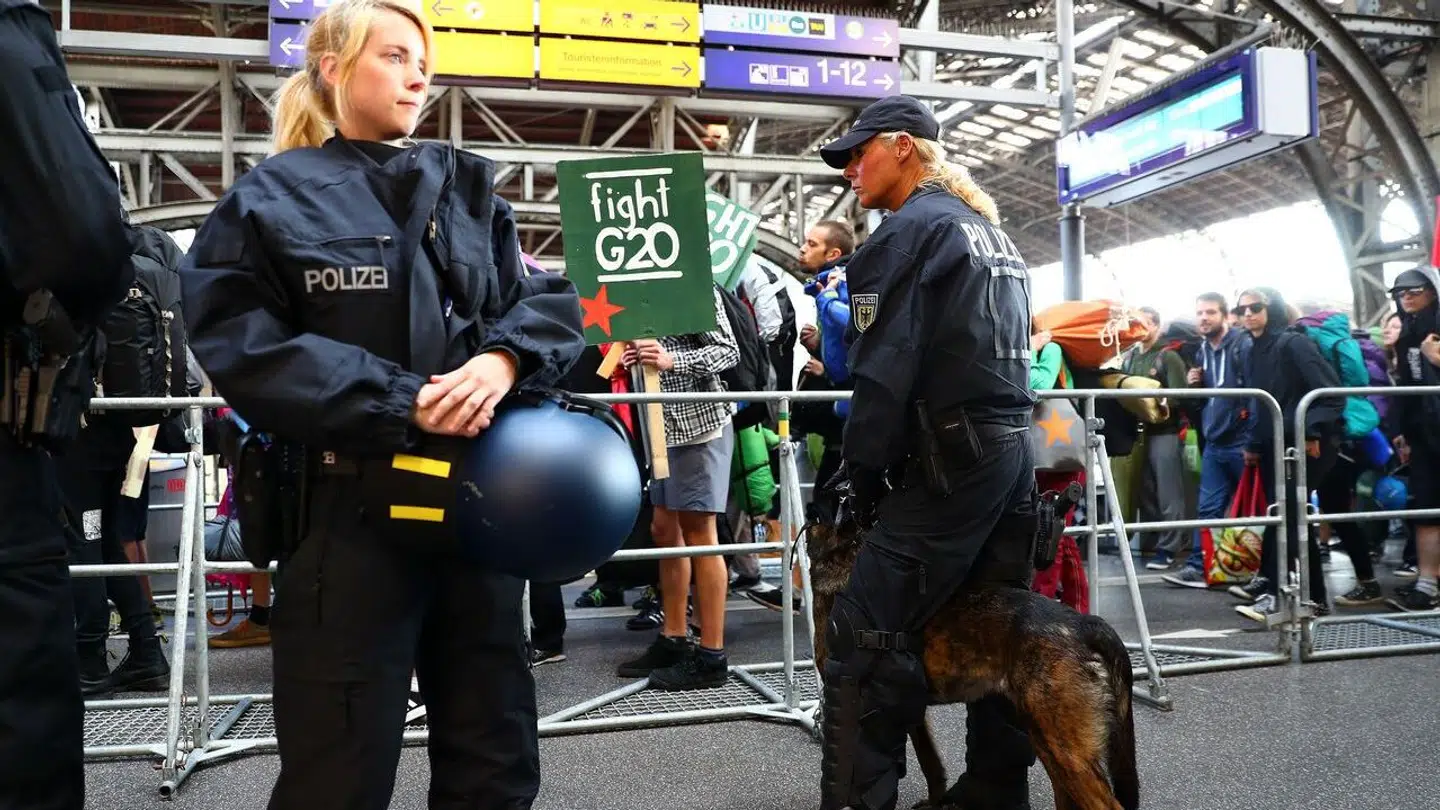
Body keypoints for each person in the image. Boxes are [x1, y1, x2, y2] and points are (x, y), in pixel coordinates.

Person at [178, 2, 586, 807]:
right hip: (346, 520)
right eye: (395, 56)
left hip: (476, 514)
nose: (417, 76)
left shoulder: (468, 189)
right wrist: (400, 400)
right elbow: (238, 341)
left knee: (495, 758)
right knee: (338, 772)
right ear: (333, 68)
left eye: (423, 62)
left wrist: (504, 359)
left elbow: (547, 307)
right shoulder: (272, 199)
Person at [815, 95, 1040, 810]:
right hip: (1011, 458)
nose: (850, 169)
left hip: (948, 461)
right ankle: (996, 792)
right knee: (997, 625)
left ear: (902, 146)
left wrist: (859, 479)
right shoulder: (986, 229)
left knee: (861, 634)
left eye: (859, 153)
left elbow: (884, 375)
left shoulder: (904, 236)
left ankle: (860, 801)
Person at [1231, 287, 1342, 622]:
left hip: (1305, 444)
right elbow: (1259, 401)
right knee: (1284, 517)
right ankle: (1302, 596)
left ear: (1273, 309)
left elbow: (1329, 392)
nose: (1247, 314)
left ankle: (1295, 597)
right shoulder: (1251, 348)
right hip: (1273, 445)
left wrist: (1311, 431)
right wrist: (1254, 443)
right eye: (1242, 309)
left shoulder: (1294, 343)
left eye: (1255, 307)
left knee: (1292, 519)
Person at [1164, 292, 1254, 588]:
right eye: (1200, 313)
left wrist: (1253, 438)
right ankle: (1198, 566)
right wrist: (1196, 386)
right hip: (1215, 441)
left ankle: (1260, 572)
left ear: (1225, 316)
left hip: (1241, 440)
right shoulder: (1203, 350)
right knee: (1208, 507)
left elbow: (1255, 394)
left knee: (1253, 508)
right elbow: (1207, 399)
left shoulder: (1243, 345)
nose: (1204, 318)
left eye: (1211, 312)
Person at [1385, 267, 1440, 611]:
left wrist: (1436, 358)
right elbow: (1406, 389)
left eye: (1413, 291)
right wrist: (1401, 431)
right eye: (1400, 293)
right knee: (1425, 509)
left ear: (1432, 291)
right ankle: (1427, 583)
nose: (1406, 297)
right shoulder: (1406, 333)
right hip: (1422, 435)